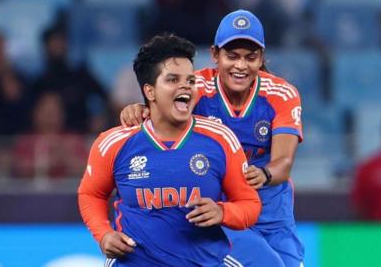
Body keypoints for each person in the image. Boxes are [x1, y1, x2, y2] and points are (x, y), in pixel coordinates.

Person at [120, 10, 305, 267]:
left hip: (272, 214)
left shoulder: (281, 94)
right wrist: (142, 109)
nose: (240, 66)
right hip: (222, 210)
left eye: (250, 57)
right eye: (232, 56)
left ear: (261, 58)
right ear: (215, 55)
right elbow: (166, 110)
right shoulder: (199, 87)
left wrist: (263, 175)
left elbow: (283, 164)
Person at [78, 33, 261, 266]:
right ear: (150, 92)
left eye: (190, 80)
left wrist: (223, 212)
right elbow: (91, 194)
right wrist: (103, 234)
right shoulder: (114, 143)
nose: (185, 86)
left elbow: (250, 204)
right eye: (173, 79)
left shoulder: (221, 139)